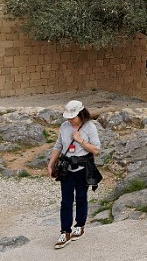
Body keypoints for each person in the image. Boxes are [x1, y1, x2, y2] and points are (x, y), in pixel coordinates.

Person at [47, 99, 101, 249]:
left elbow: (96, 149)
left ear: (81, 114)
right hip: (66, 168)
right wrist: (50, 164)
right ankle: (65, 231)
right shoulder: (64, 127)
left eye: (73, 117)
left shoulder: (90, 127)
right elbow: (58, 146)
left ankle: (80, 225)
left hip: (83, 168)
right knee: (66, 201)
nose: (70, 120)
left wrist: (80, 140)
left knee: (81, 197)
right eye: (68, 117)